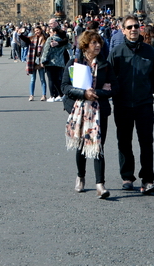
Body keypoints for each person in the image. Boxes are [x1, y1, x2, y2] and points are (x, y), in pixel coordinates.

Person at [109, 16, 154, 194]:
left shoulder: (149, 52)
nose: (133, 29)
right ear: (122, 30)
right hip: (122, 104)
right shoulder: (116, 52)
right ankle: (127, 176)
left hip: (144, 103)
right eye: (129, 27)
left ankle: (148, 179)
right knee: (124, 142)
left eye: (136, 26)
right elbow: (108, 78)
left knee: (146, 142)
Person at [62, 30, 115, 199]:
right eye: (93, 43)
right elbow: (64, 86)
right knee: (81, 146)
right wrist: (83, 94)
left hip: (99, 111)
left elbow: (113, 88)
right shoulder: (75, 62)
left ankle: (100, 184)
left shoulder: (105, 65)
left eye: (99, 42)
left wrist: (97, 92)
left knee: (98, 147)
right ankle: (81, 176)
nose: (98, 45)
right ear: (85, 45)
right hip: (80, 111)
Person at [42, 24, 70, 102]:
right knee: (57, 79)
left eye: (51, 31)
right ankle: (60, 95)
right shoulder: (61, 40)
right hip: (60, 62)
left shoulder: (50, 39)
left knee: (51, 79)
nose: (49, 33)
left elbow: (46, 51)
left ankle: (52, 96)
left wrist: (43, 61)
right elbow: (70, 46)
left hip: (50, 62)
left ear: (54, 32)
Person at [26, 26, 48, 101]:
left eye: (38, 30)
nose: (36, 32)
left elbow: (45, 51)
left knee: (42, 79)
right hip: (33, 61)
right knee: (32, 79)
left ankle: (44, 95)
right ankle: (31, 95)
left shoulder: (44, 39)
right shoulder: (32, 39)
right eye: (35, 31)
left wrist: (43, 62)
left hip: (41, 61)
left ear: (41, 30)